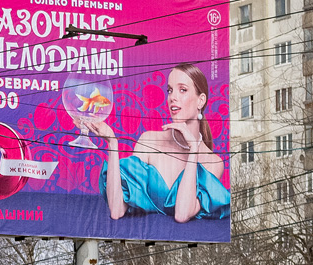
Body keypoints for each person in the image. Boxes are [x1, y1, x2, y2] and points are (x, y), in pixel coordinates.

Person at [84, 63, 230, 224]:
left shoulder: (213, 162)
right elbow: (117, 210)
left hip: (179, 247)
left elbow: (182, 214)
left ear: (201, 101)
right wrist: (112, 143)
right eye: (170, 90)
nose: (173, 97)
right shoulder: (149, 140)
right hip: (141, 245)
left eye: (183, 90)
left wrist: (193, 149)